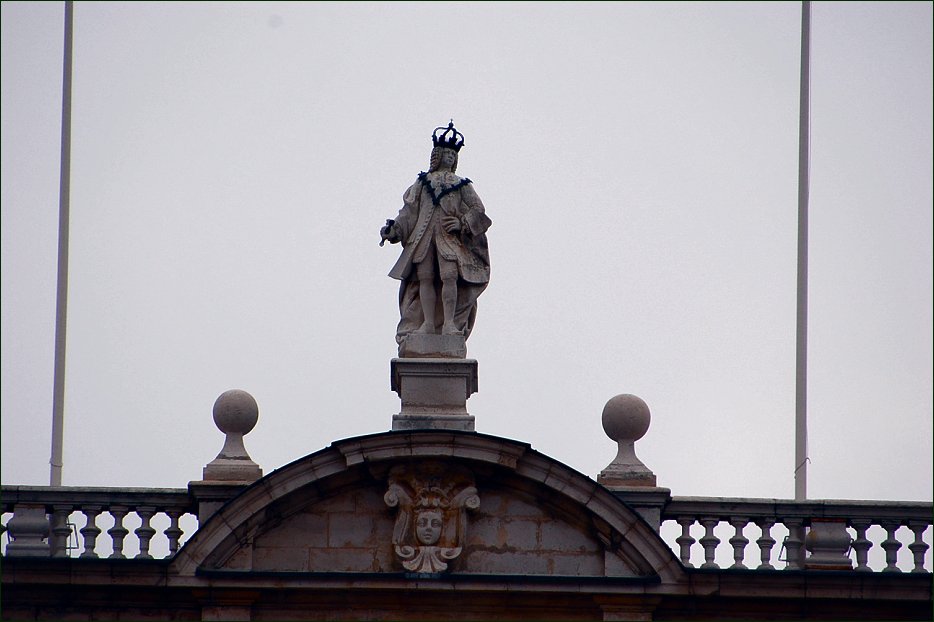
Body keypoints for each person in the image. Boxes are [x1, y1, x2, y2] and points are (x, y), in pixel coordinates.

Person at [380, 122, 491, 346]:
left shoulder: (462, 185)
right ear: (437, 155)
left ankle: (449, 322)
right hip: (423, 238)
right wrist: (396, 230)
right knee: (426, 278)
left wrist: (462, 224)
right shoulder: (422, 182)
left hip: (449, 240)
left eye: (453, 154)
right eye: (446, 153)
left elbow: (478, 210)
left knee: (449, 276)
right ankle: (428, 323)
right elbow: (409, 211)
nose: (450, 157)